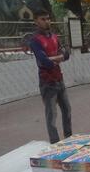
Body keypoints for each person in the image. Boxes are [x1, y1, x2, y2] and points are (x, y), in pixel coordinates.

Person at [29, 9, 72, 144]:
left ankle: (69, 138)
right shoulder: (35, 40)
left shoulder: (54, 36)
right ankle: (55, 143)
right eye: (43, 19)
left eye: (48, 18)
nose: (47, 21)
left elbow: (66, 54)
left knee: (67, 110)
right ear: (36, 21)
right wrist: (59, 58)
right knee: (51, 115)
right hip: (47, 83)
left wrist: (55, 57)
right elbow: (44, 62)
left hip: (59, 79)